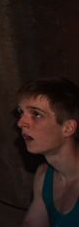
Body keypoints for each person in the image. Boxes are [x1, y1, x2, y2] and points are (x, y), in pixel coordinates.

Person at [17, 77, 79, 227]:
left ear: (68, 128)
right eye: (21, 113)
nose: (20, 123)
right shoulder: (44, 176)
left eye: (36, 114)